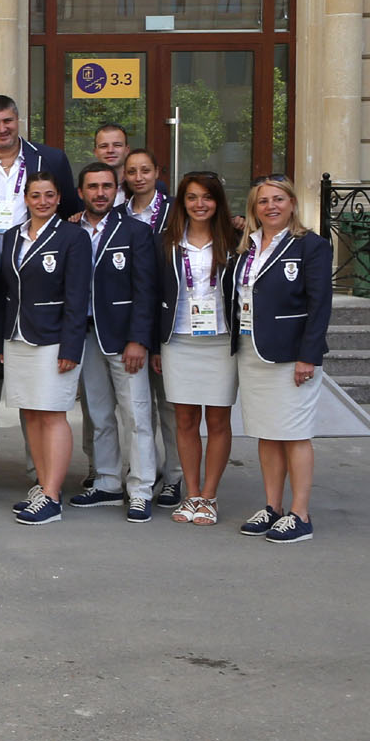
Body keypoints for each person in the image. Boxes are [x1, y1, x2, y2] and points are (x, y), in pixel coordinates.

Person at [0, 94, 80, 480]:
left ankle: (40, 473)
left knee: (35, 388)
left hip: (36, 277)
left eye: (7, 121)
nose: (2, 129)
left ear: (18, 120)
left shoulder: (51, 159)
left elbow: (69, 211)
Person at [232, 177, 331, 544]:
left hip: (292, 354)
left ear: (291, 203)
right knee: (267, 433)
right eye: (263, 201)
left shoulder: (312, 245)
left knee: (294, 434)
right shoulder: (246, 246)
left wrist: (308, 355)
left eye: (278, 199)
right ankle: (272, 507)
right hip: (251, 350)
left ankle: (300, 514)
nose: (270, 206)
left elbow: (319, 304)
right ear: (254, 208)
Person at [0, 172, 91, 526]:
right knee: (31, 414)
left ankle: (52, 496)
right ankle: (43, 485)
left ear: (59, 198)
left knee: (52, 414)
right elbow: (4, 293)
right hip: (17, 337)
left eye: (49, 195)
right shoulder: (12, 235)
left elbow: (77, 296)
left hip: (54, 340)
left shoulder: (73, 237)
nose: (42, 201)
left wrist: (71, 347)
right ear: (26, 198)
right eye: (35, 195)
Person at [68, 163, 161, 523]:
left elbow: (146, 290)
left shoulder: (136, 231)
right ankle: (107, 481)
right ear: (81, 192)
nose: (100, 193)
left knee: (137, 414)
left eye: (107, 186)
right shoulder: (71, 230)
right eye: (92, 187)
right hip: (86, 335)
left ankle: (140, 488)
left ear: (117, 190)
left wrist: (139, 339)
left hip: (124, 339)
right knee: (98, 412)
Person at [154, 172, 238, 526]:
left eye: (207, 197)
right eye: (191, 197)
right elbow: (153, 293)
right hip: (178, 339)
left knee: (218, 421)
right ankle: (191, 494)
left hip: (220, 340)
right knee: (185, 420)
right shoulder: (166, 241)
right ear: (182, 202)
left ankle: (210, 495)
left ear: (218, 201)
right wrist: (153, 345)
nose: (199, 204)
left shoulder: (236, 239)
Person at [125, 146, 184, 508]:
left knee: (170, 406)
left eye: (145, 170)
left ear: (157, 172)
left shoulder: (177, 210)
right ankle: (144, 470)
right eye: (132, 171)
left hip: (168, 315)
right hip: (130, 318)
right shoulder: (118, 213)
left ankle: (175, 476)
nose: (139, 177)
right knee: (136, 407)